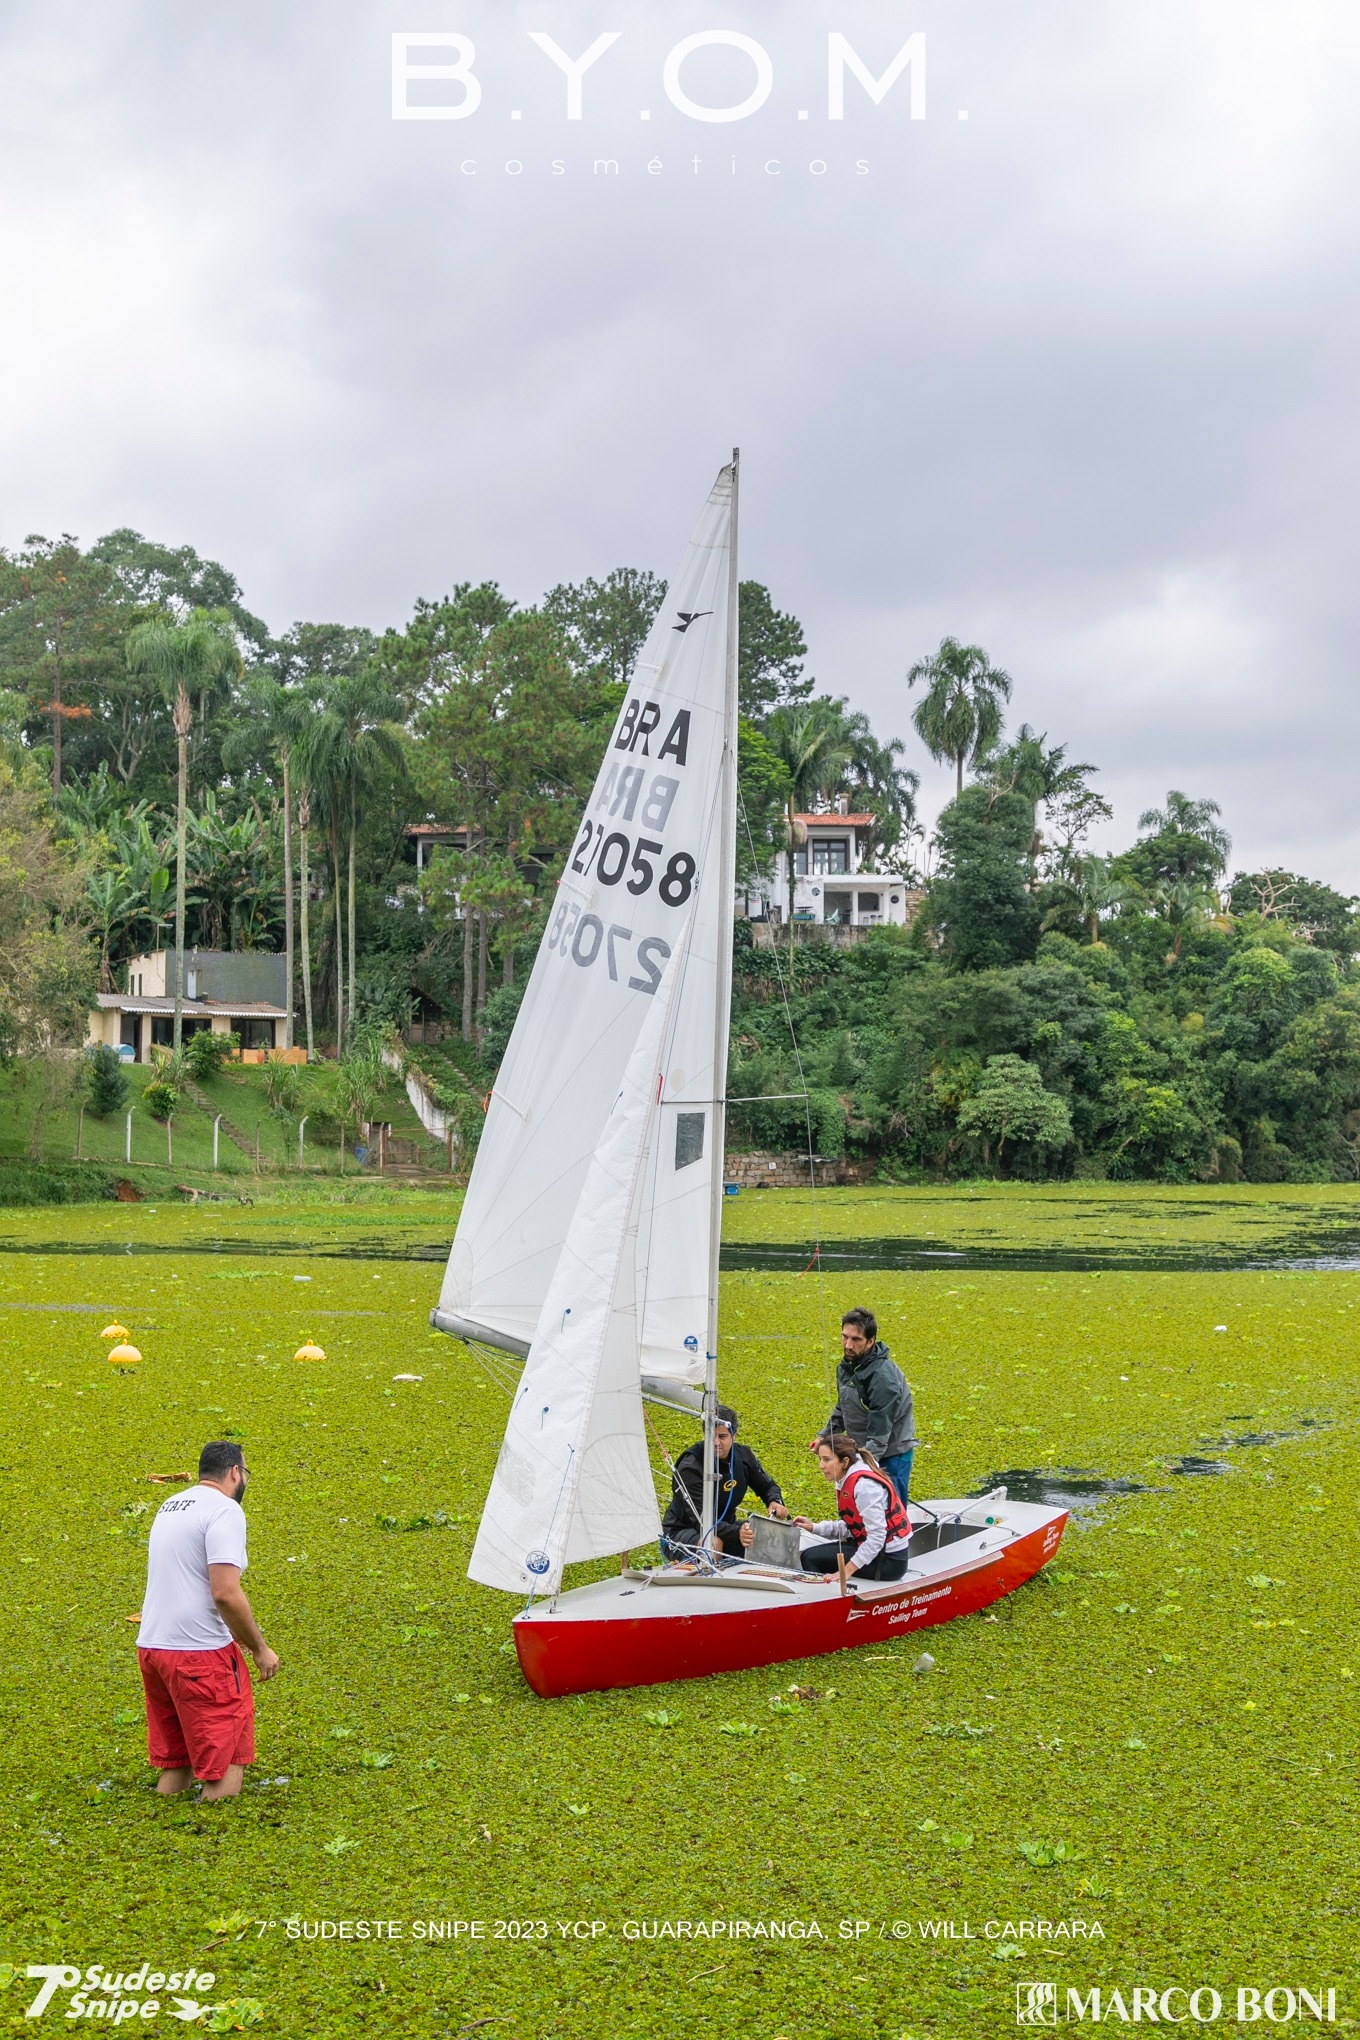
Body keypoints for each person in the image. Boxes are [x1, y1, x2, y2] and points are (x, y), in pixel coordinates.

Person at [136, 1440, 278, 1802]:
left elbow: (189, 1583)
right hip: (197, 1655)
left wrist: (237, 1635)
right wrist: (260, 1649)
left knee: (178, 1759)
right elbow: (225, 1593)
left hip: (154, 1649)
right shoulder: (225, 1510)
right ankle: (211, 1840)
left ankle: (158, 1835)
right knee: (228, 1757)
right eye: (246, 1473)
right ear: (235, 1473)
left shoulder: (170, 1505)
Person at [812, 1306, 916, 1510]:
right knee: (859, 1508)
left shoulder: (883, 1378)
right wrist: (824, 1437)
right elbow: (843, 1406)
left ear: (871, 1341)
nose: (848, 1345)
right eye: (845, 1337)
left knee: (890, 1511)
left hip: (891, 1453)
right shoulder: (847, 1365)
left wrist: (860, 1466)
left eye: (856, 1339)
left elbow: (879, 1435)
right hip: (862, 1449)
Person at [660, 1404, 789, 1558]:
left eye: (722, 1436)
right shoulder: (691, 1467)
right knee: (713, 1544)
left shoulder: (744, 1456)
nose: (715, 1442)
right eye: (710, 1436)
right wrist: (737, 1532)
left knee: (766, 1534)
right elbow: (702, 1520)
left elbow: (768, 1486)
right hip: (682, 1532)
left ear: (734, 1436)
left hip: (725, 1527)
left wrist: (775, 1501)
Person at [792, 1432, 913, 1582]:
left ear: (844, 1461)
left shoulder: (864, 1487)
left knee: (811, 1558)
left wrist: (846, 1571)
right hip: (875, 1552)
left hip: (888, 1561)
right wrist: (814, 1527)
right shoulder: (846, 1476)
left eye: (827, 1459)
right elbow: (852, 1526)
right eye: (820, 1459)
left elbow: (877, 1537)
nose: (821, 1466)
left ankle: (826, 1599)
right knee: (809, 1554)